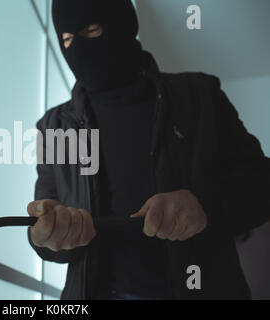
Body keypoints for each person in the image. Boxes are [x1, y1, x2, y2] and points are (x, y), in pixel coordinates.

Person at [26, 0, 270, 300]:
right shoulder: (52, 127)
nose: (76, 48)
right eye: (66, 40)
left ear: (125, 23)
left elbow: (261, 183)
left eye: (91, 30)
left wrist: (203, 204)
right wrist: (47, 237)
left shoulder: (200, 97)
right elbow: (44, 217)